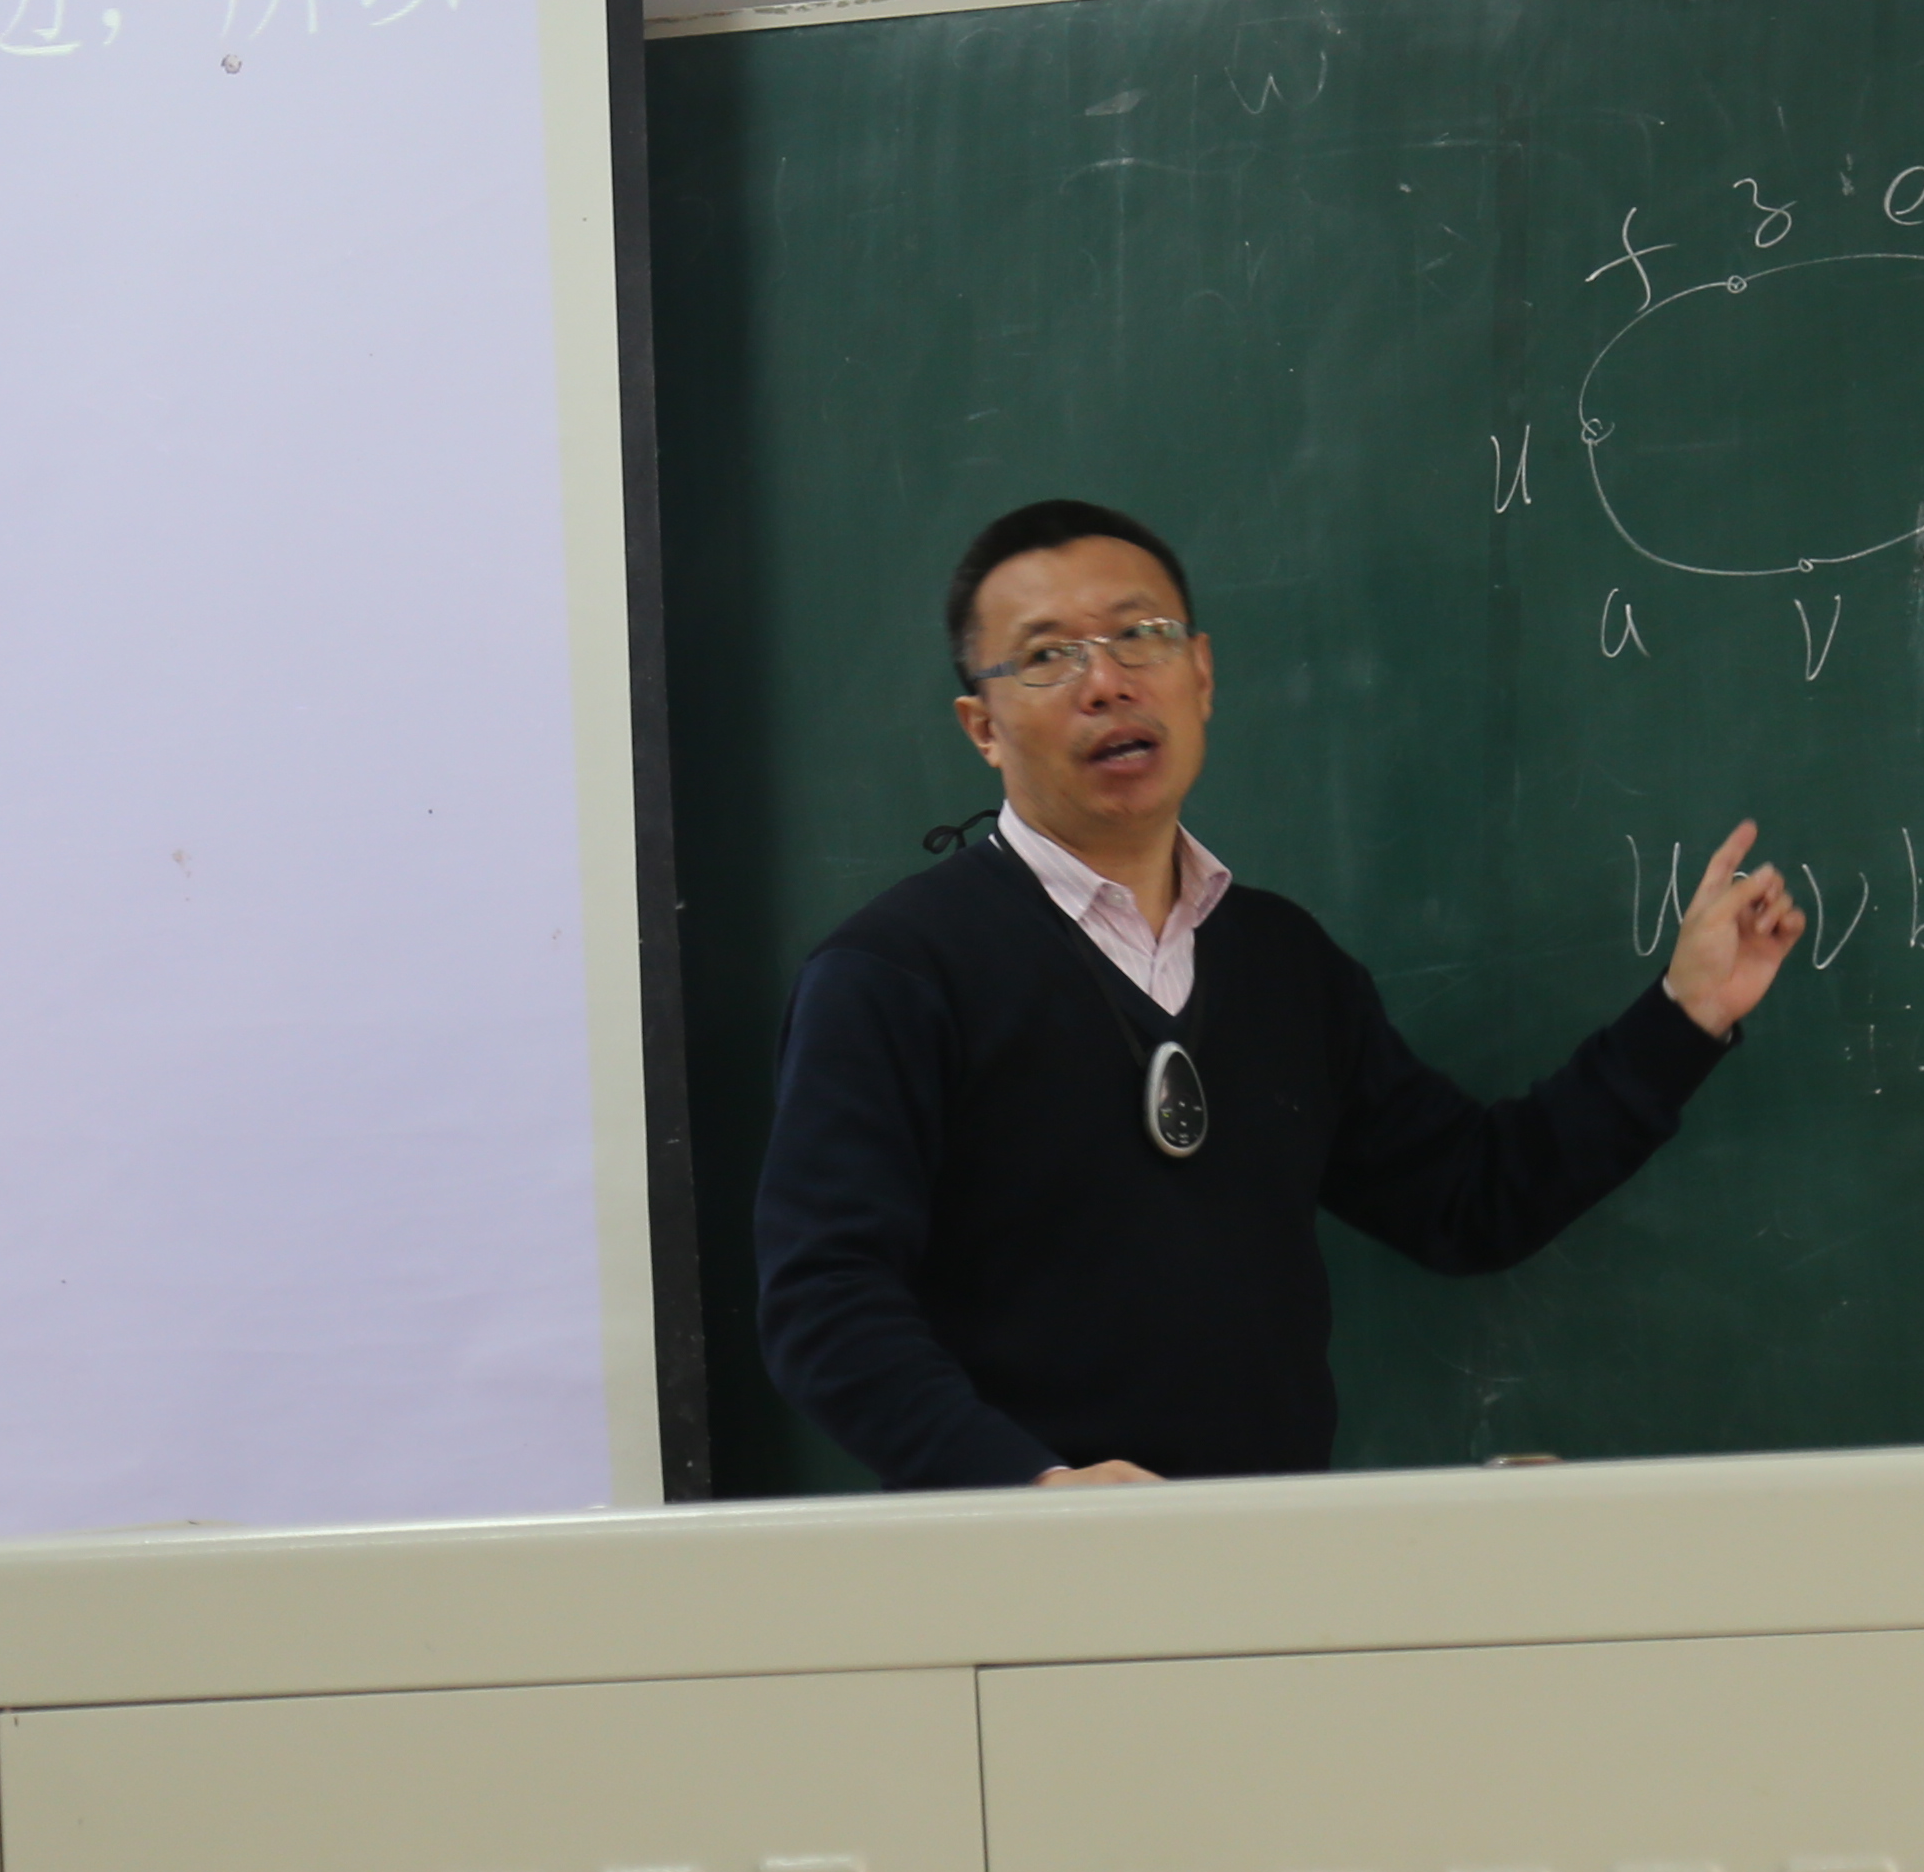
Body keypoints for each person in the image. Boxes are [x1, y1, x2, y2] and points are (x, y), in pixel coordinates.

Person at [752, 497, 1808, 1489]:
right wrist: (1033, 1488)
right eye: (1046, 655)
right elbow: (825, 1303)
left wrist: (1685, 1016)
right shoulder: (893, 974)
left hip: (1277, 1557)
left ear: (1202, 674)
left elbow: (1472, 1201)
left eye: (1141, 636)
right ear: (981, 726)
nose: (1106, 681)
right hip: (1024, 1573)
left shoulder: (1282, 961)